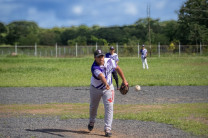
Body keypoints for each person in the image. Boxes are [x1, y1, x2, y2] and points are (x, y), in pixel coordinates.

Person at [88, 49, 128, 137]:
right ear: (95, 58)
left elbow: (117, 68)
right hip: (96, 89)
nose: (101, 58)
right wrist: (106, 83)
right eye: (98, 57)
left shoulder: (110, 61)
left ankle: (107, 128)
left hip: (108, 89)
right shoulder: (94, 67)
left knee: (109, 107)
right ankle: (92, 121)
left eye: (102, 56)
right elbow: (101, 76)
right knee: (93, 106)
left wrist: (124, 80)